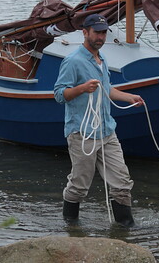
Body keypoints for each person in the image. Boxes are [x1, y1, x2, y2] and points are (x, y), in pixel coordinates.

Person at [53, 13, 144, 227]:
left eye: (104, 33)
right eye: (97, 33)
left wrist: (129, 97)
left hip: (107, 131)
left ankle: (126, 227)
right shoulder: (73, 61)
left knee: (121, 182)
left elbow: (106, 89)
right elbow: (59, 94)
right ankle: (70, 224)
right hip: (82, 133)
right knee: (80, 185)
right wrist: (82, 88)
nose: (101, 37)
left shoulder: (101, 59)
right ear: (85, 33)